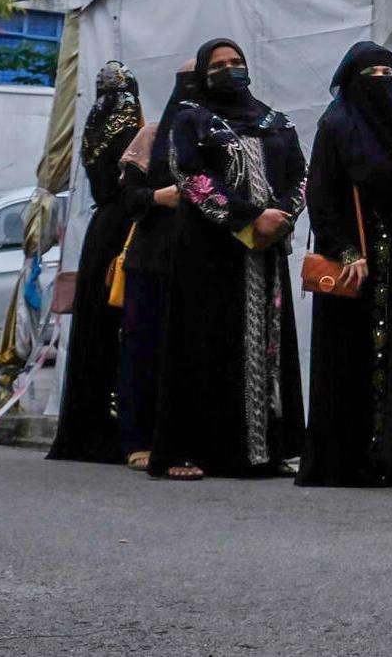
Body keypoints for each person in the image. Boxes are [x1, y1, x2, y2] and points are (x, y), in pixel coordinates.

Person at [150, 40, 306, 480]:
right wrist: (249, 220)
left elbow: (301, 175)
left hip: (266, 253)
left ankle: (266, 450)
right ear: (204, 72)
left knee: (267, 345)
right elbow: (191, 177)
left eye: (237, 62)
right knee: (204, 342)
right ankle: (190, 450)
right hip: (209, 252)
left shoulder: (274, 120)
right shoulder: (191, 120)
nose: (230, 69)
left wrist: (281, 217)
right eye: (219, 65)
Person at [298, 42, 392, 489]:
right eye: (371, 74)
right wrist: (345, 250)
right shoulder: (337, 125)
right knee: (347, 357)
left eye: (388, 73)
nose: (380, 82)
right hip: (354, 264)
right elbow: (320, 195)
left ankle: (388, 455)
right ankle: (344, 459)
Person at [49, 62, 144, 463]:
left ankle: (84, 426)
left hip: (99, 230)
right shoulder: (130, 122)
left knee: (93, 327)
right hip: (123, 229)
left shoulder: (94, 123)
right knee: (118, 326)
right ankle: (114, 428)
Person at [114, 60, 198, 469]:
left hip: (201, 263)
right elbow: (127, 198)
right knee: (145, 349)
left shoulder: (222, 135)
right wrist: (158, 197)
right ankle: (138, 439)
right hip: (152, 261)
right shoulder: (152, 136)